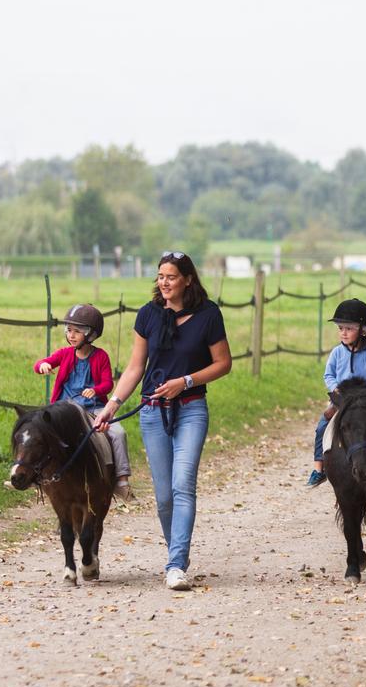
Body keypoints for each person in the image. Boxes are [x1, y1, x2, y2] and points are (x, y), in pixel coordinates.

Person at [94, 251, 232, 591]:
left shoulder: (208, 315)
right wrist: (112, 404)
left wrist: (185, 381)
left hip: (190, 409)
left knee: (183, 484)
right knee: (164, 495)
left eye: (171, 276)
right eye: (160, 276)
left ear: (187, 279)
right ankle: (177, 555)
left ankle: (174, 564)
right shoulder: (148, 315)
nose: (164, 282)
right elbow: (135, 367)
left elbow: (223, 363)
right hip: (153, 412)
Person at [35, 303, 133, 500]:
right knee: (36, 431)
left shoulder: (101, 356)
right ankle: (31, 475)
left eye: (77, 331)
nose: (71, 335)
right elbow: (40, 363)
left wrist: (95, 390)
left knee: (118, 433)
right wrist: (43, 365)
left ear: (90, 335)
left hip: (94, 408)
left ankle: (122, 481)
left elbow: (107, 384)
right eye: (68, 330)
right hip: (64, 409)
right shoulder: (64, 353)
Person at [306, 298, 366, 488]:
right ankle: (319, 468)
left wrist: (365, 390)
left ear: (363, 331)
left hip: (365, 398)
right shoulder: (336, 353)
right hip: (342, 399)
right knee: (323, 424)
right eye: (341, 328)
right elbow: (329, 374)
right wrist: (335, 388)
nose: (343, 333)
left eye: (349, 329)